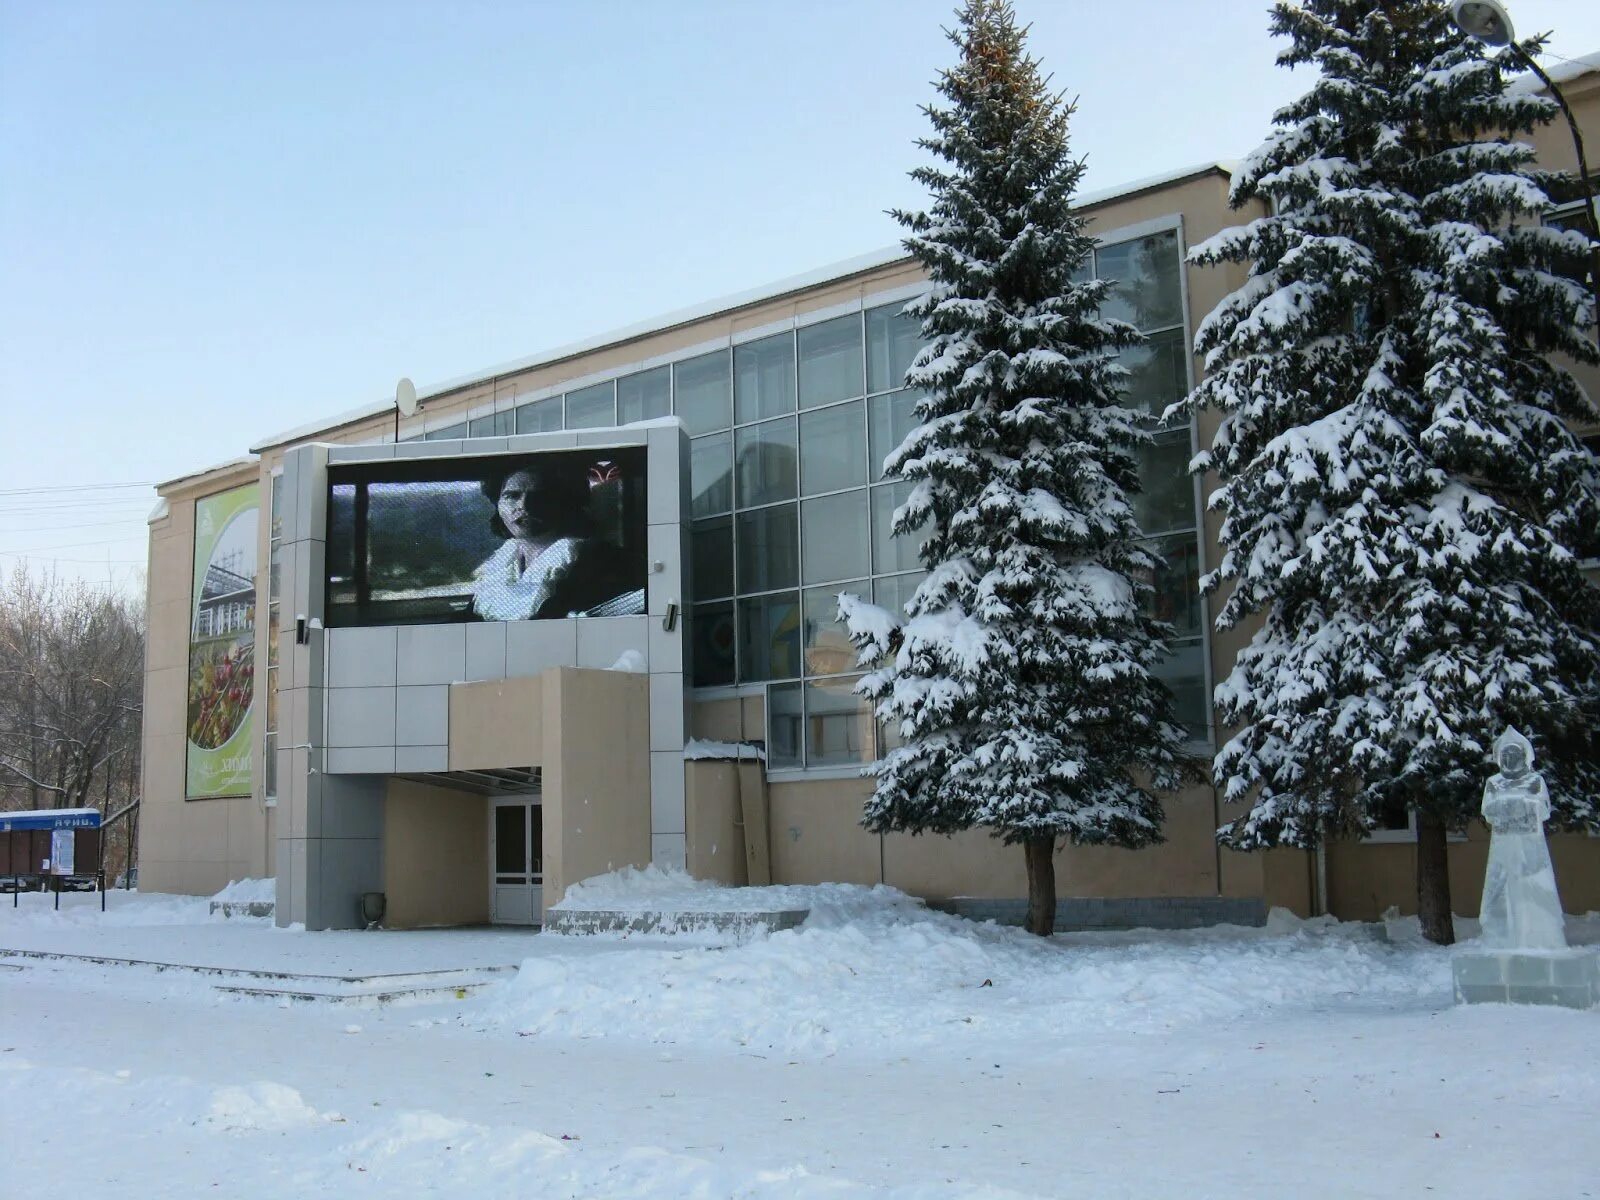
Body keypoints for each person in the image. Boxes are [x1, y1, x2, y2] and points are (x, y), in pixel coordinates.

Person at [472, 458, 642, 621]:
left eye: (540, 497)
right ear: (498, 504)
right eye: (512, 496)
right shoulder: (501, 565)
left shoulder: (601, 559)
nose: (524, 506)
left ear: (564, 503)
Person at [1477, 727, 1567, 950]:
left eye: (1514, 754)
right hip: (1503, 846)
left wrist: (1516, 805)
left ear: (1523, 756)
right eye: (1505, 755)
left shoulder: (1535, 781)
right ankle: (1503, 941)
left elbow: (1544, 810)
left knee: (1534, 888)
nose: (1509, 759)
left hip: (1530, 846)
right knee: (1501, 889)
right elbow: (1488, 811)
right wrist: (1511, 805)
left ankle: (1541, 940)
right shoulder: (1493, 783)